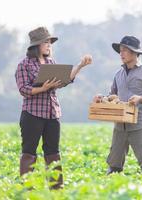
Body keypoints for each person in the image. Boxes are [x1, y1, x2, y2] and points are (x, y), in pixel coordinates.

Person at [15, 26, 92, 189]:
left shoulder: (51, 62)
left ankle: (56, 189)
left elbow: (63, 81)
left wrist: (79, 67)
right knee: (29, 152)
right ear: (36, 45)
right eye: (46, 42)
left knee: (53, 153)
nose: (49, 45)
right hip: (32, 114)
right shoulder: (24, 64)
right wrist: (42, 88)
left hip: (52, 113)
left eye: (50, 42)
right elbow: (23, 89)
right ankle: (28, 188)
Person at [94, 35, 142, 176]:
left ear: (135, 52)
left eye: (125, 50)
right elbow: (112, 95)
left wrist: (140, 99)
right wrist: (102, 98)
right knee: (113, 167)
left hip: (139, 125)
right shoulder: (118, 74)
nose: (121, 53)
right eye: (120, 50)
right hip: (120, 125)